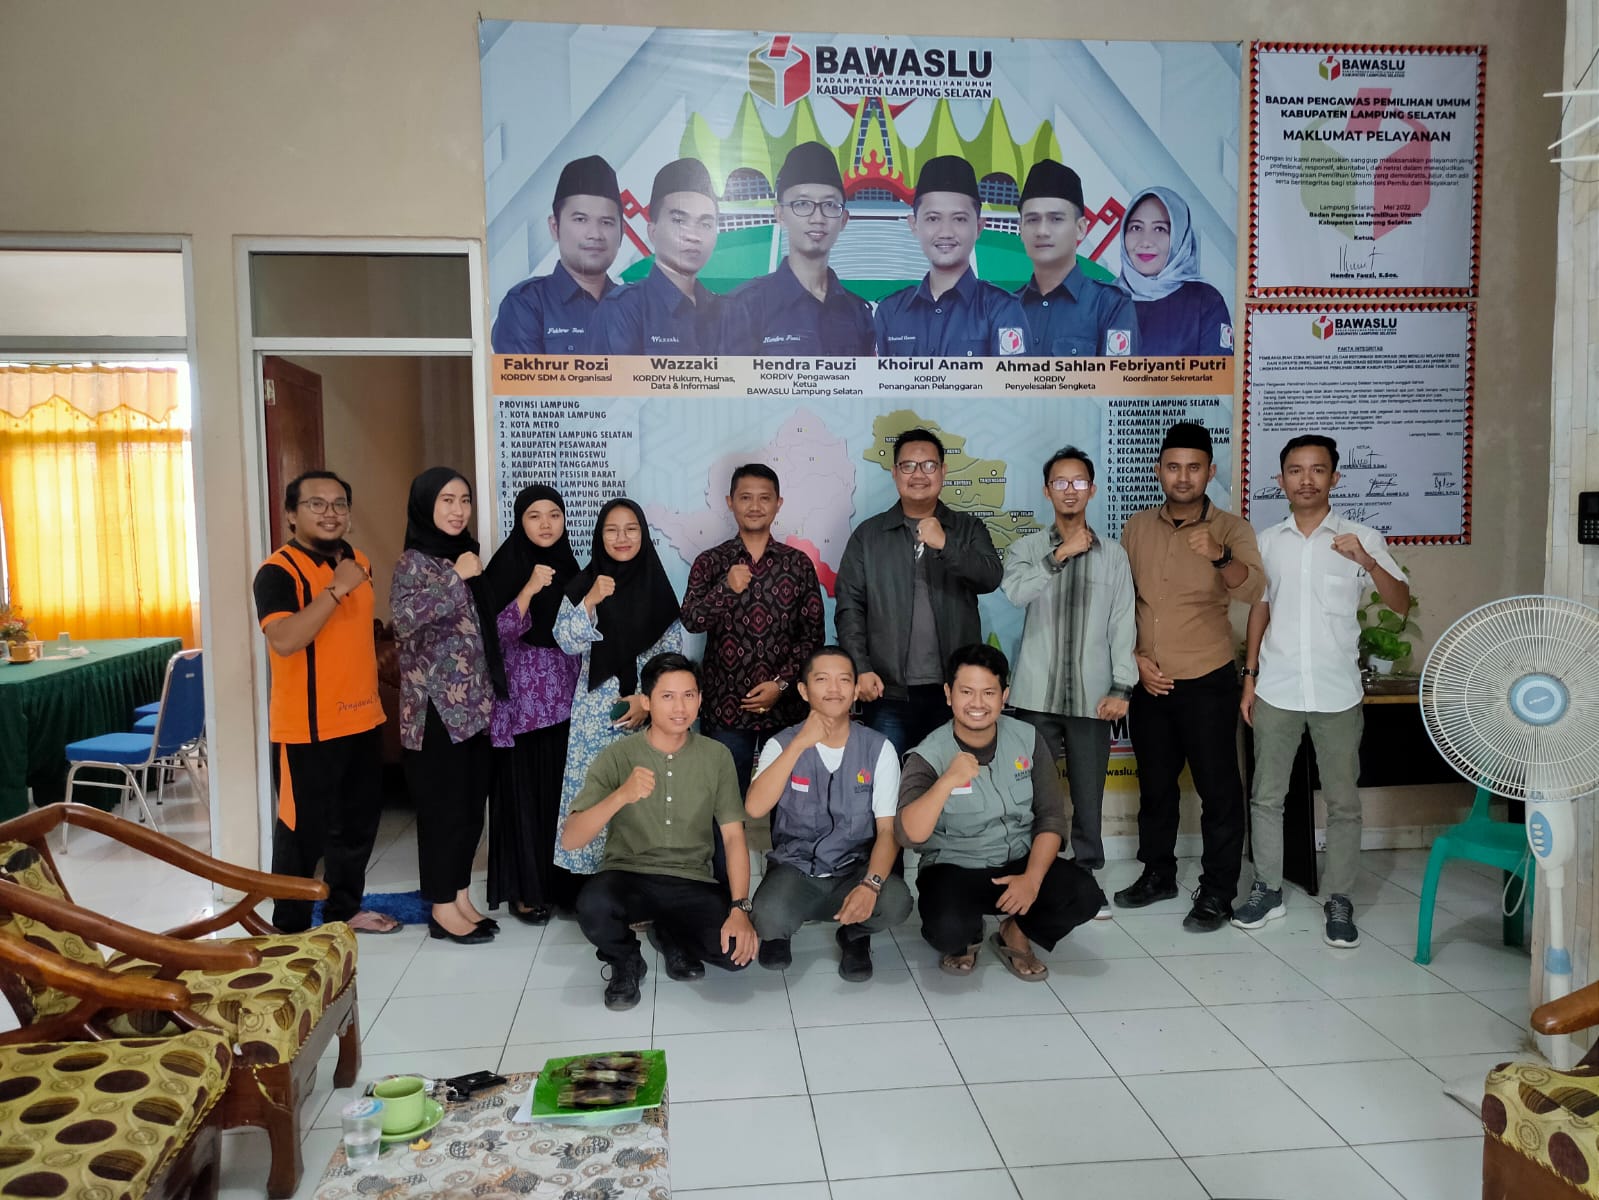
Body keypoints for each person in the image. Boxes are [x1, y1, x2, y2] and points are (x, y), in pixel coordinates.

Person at [1236, 435, 1408, 949]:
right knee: (1266, 797)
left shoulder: (1362, 537)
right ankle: (1267, 889)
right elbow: (1260, 608)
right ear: (1281, 480)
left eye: (1317, 470)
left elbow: (1401, 603)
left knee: (1343, 803)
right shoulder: (1268, 541)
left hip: (1337, 693)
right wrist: (1249, 676)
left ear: (1335, 477)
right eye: (1295, 470)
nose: (1306, 479)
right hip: (1278, 687)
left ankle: (1339, 898)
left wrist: (1368, 562)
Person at [1117, 423, 1264, 931]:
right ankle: (1158, 874)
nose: (1183, 477)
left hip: (1207, 680)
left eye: (1194, 467)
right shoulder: (1137, 526)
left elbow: (1253, 590)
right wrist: (1134, 659)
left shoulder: (1231, 528)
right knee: (1155, 788)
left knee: (1218, 791)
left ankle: (1218, 892)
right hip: (1149, 683)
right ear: (1159, 470)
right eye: (1174, 467)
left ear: (1210, 471)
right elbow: (1123, 603)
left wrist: (1220, 556)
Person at [897, 644, 1105, 979]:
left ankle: (1016, 932)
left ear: (1004, 696)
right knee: (948, 932)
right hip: (955, 868)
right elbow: (908, 835)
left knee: (1085, 896)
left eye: (988, 692)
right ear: (949, 694)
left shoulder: (1027, 739)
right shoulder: (928, 754)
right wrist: (946, 781)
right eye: (966, 692)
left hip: (1019, 863)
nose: (977, 703)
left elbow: (1051, 818)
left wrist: (1032, 880)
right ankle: (968, 934)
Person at [564, 652, 758, 1010]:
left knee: (737, 955)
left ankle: (670, 933)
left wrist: (739, 908)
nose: (680, 707)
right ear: (647, 701)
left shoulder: (716, 756)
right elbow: (571, 838)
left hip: (692, 879)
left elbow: (733, 836)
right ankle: (625, 961)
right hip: (629, 876)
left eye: (689, 695)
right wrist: (621, 795)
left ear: (700, 699)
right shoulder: (618, 756)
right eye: (667, 696)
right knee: (593, 905)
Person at [253, 470, 398, 935]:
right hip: (308, 727)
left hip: (363, 718)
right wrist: (335, 589)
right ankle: (291, 929)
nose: (330, 513)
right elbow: (284, 640)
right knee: (301, 835)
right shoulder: (278, 571)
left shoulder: (359, 561)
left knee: (357, 827)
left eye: (339, 504)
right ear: (291, 515)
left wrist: (346, 579)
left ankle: (343, 911)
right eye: (316, 504)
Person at [1001, 446, 1136, 917]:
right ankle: (1030, 877)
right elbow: (1016, 593)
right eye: (1061, 482)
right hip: (1035, 695)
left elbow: (1123, 623)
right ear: (1047, 491)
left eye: (1079, 482)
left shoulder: (1114, 555)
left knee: (1087, 794)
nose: (1070, 490)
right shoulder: (1026, 549)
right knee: (1032, 793)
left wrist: (1122, 687)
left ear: (1092, 490)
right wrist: (1059, 555)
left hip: (1093, 697)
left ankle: (1084, 879)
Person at [745, 646, 912, 981]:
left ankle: (854, 935)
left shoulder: (878, 748)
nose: (834, 689)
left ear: (856, 689)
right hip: (795, 870)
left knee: (897, 902)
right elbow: (755, 807)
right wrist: (799, 744)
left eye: (844, 680)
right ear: (804, 690)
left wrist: (871, 884)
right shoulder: (782, 743)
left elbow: (886, 831)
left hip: (853, 870)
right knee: (768, 917)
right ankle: (780, 932)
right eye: (822, 680)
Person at [835, 427, 1004, 756]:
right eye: (908, 466)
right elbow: (850, 607)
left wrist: (946, 544)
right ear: (895, 472)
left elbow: (990, 577)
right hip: (887, 691)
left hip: (956, 690)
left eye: (928, 465)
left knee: (954, 779)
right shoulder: (869, 536)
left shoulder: (967, 528)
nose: (918, 474)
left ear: (943, 471)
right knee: (889, 781)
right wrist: (861, 668)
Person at [390, 467, 503, 946]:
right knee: (442, 812)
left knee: (469, 810)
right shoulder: (414, 563)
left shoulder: (464, 554)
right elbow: (404, 620)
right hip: (434, 713)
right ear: (425, 506)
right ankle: (440, 907)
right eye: (447, 501)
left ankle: (459, 896)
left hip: (474, 709)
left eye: (464, 500)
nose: (458, 510)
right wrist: (457, 578)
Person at [552, 498, 686, 876]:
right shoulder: (584, 583)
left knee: (646, 799)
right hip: (596, 715)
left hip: (648, 715)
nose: (621, 537)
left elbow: (671, 659)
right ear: (599, 536)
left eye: (631, 529)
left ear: (643, 534)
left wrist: (647, 703)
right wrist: (591, 600)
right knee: (598, 795)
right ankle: (595, 886)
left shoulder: (657, 586)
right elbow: (567, 641)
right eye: (611, 530)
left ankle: (642, 882)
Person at [680, 463, 825, 796]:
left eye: (764, 498)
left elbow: (813, 637)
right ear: (730, 502)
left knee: (790, 804)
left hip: (786, 708)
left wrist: (781, 684)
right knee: (725, 804)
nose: (755, 506)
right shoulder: (710, 561)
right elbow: (692, 620)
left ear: (778, 503)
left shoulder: (798, 564)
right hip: (726, 711)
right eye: (746, 497)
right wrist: (725, 589)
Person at [481, 484, 584, 924]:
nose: (546, 524)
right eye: (534, 516)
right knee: (524, 798)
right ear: (519, 521)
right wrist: (528, 589)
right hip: (521, 709)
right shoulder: (506, 566)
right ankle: (525, 890)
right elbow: (492, 634)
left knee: (561, 796)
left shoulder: (571, 568)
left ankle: (562, 886)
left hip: (566, 704)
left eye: (554, 515)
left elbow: (581, 632)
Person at [718, 142, 875, 356]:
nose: (817, 218)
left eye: (830, 205)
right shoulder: (745, 306)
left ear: (843, 220)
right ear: (780, 215)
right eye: (802, 204)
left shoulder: (857, 313)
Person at [873, 155, 1030, 357]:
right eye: (933, 218)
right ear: (913, 224)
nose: (945, 232)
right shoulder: (890, 311)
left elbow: (1014, 378)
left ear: (979, 226)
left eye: (959, 219)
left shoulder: (1002, 309)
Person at [585, 157, 721, 355]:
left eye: (705, 224)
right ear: (653, 232)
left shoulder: (726, 310)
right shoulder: (622, 310)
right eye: (679, 221)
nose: (693, 235)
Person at [491, 155, 624, 353]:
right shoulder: (526, 305)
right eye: (580, 219)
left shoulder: (637, 307)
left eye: (606, 222)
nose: (595, 234)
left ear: (622, 232)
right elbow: (522, 374)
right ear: (555, 227)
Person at [1014, 160, 1139, 357]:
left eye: (1056, 219)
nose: (1042, 231)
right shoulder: (1006, 308)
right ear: (1021, 229)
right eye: (1032, 220)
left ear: (1081, 228)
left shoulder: (1110, 306)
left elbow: (1119, 377)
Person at [1118, 187, 1234, 357]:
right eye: (1136, 228)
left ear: (1180, 237)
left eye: (1160, 229)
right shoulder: (1103, 300)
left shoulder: (1205, 301)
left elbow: (1218, 372)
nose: (1145, 242)